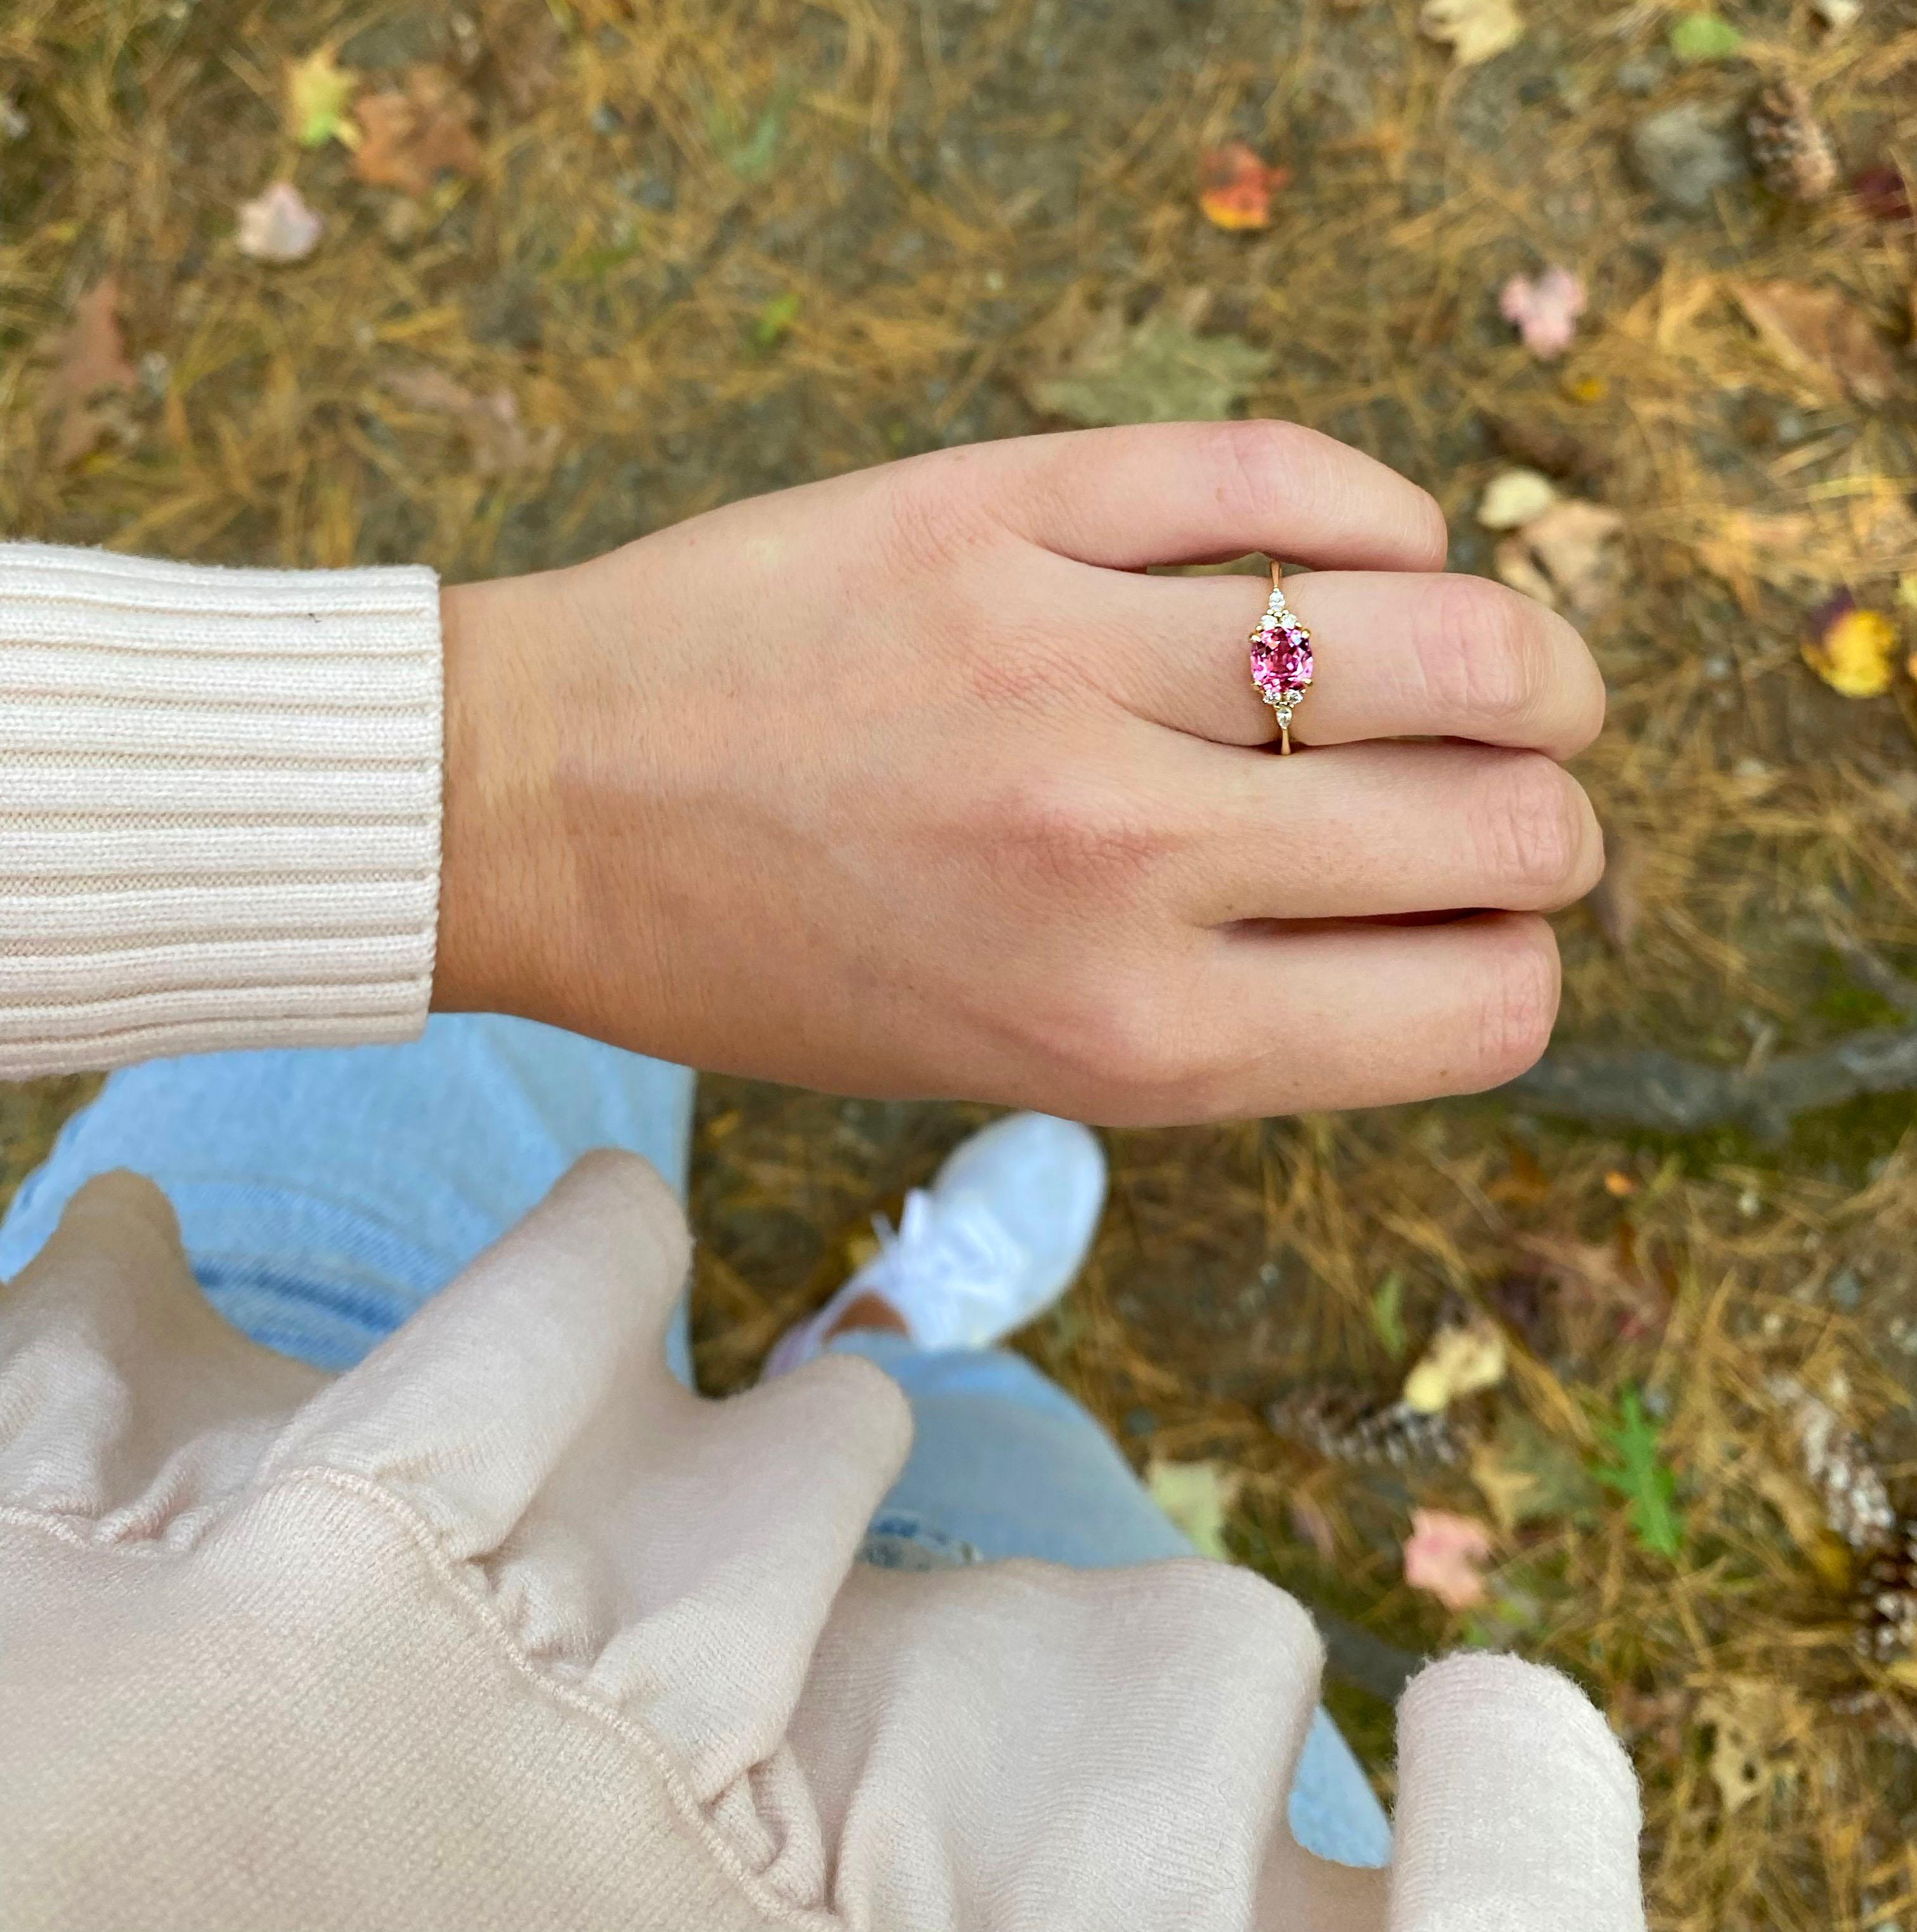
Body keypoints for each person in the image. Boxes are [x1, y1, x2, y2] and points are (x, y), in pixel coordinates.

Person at [0, 422, 1642, 1930]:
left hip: (174, 1454)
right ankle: (882, 1352)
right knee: (1003, 1467)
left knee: (400, 1033)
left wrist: (510, 776)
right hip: (1002, 1824)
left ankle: (860, 1368)